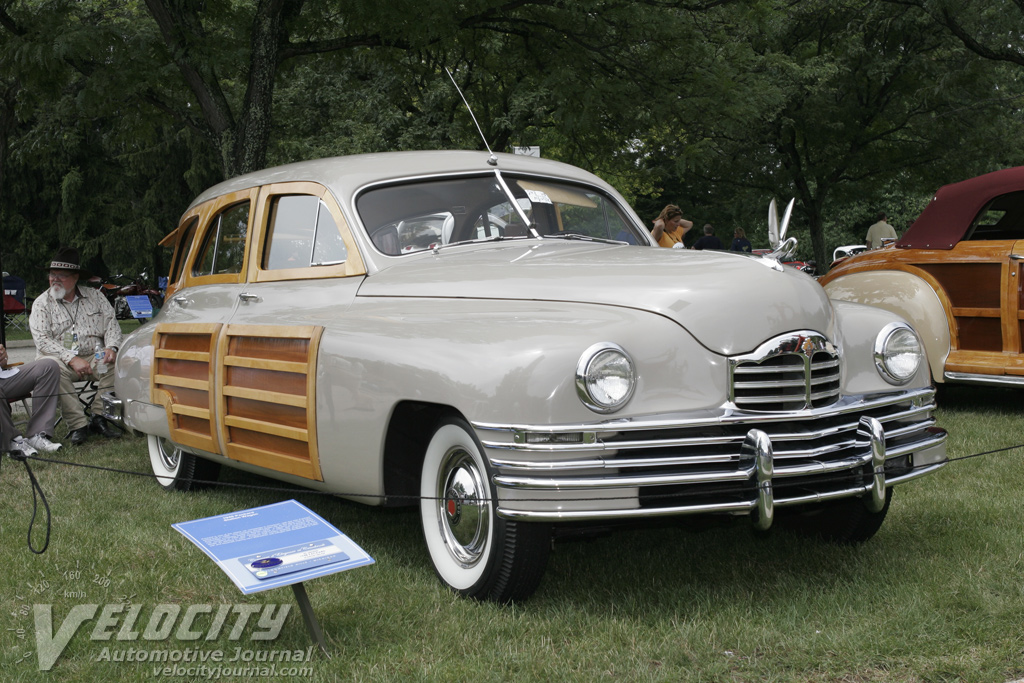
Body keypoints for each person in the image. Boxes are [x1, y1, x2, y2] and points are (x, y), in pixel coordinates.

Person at [29, 246, 123, 445]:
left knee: (118, 363)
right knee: (51, 368)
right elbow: (42, 340)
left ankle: (99, 417)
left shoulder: (96, 297)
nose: (55, 279)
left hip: (94, 357)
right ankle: (78, 425)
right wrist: (71, 358)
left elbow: (112, 324)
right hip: (59, 361)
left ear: (75, 277)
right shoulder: (42, 303)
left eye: (61, 275)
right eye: (52, 274)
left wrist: (111, 348)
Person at [0, 345, 62, 455]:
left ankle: (37, 435)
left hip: (3, 377)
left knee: (48, 367)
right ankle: (11, 440)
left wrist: (2, 357)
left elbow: (3, 363)